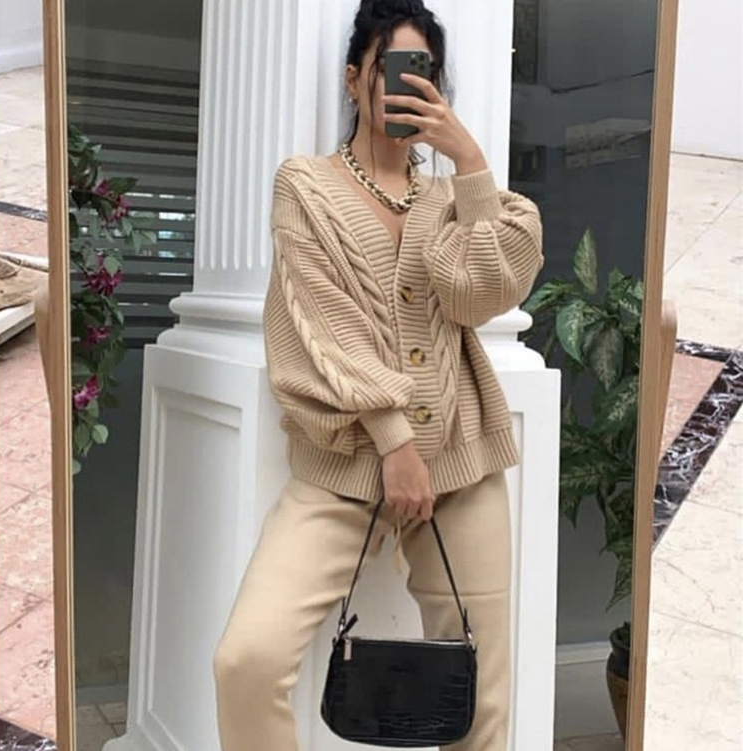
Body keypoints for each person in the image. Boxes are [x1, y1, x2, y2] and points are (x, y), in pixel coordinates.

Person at [212, 1, 544, 749]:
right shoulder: (306, 187)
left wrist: (470, 162)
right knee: (247, 660)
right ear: (353, 77)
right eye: (390, 69)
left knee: (481, 698)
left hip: (461, 464)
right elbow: (323, 326)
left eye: (423, 75)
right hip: (345, 468)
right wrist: (394, 440)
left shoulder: (451, 199)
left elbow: (484, 293)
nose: (404, 89)